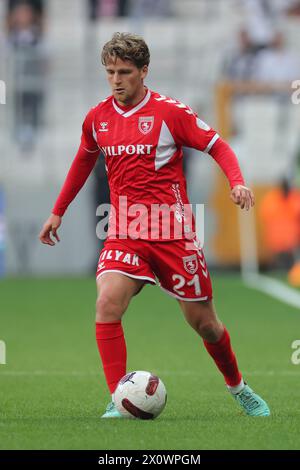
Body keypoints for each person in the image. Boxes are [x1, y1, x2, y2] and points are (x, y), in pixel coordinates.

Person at [39, 32, 270, 418]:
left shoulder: (170, 113)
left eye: (125, 72)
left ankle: (239, 387)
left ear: (144, 71)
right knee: (107, 302)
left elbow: (218, 145)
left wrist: (237, 181)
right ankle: (118, 398)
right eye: (110, 72)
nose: (116, 79)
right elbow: (82, 162)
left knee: (206, 325)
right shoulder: (97, 118)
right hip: (125, 231)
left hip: (172, 233)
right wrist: (57, 210)